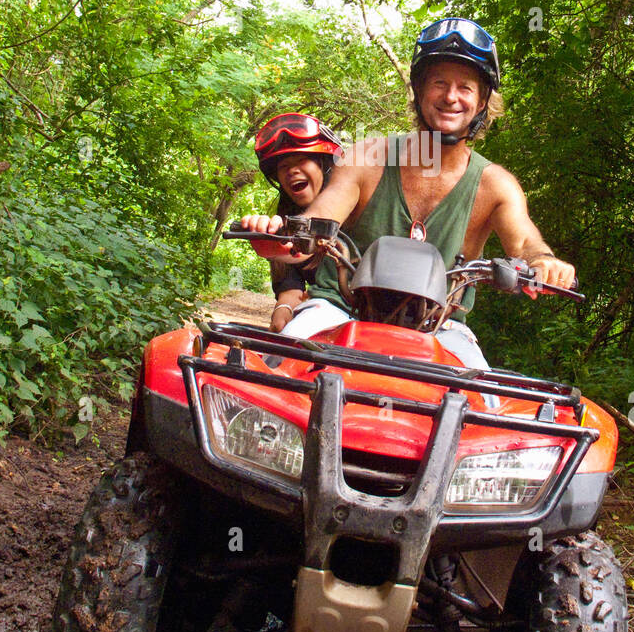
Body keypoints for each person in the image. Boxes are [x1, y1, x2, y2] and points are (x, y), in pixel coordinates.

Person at [242, 19, 576, 369]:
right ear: (418, 91)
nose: (450, 96)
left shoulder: (496, 185)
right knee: (277, 369)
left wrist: (545, 262)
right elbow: (315, 223)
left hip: (442, 327)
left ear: (481, 104)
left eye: (465, 87)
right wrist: (278, 238)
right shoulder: (365, 158)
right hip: (336, 309)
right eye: (439, 83)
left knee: (484, 405)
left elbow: (524, 243)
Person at [252, 111, 343, 332]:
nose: (292, 171)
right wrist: (283, 309)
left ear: (326, 165)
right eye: (283, 167)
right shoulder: (285, 224)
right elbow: (290, 285)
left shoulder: (364, 208)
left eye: (302, 160)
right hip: (324, 313)